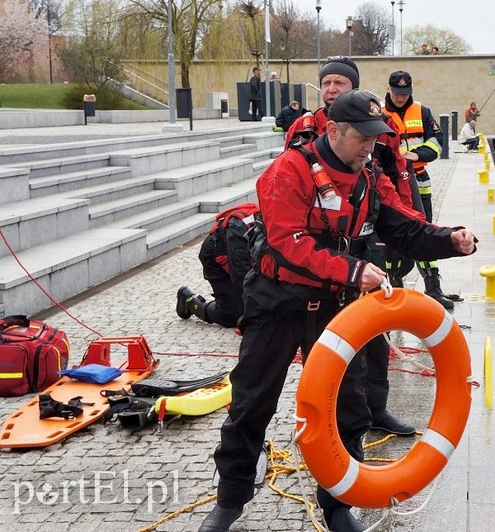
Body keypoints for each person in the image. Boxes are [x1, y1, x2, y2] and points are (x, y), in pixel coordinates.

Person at [198, 89, 477, 532]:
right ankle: (230, 500)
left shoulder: (367, 176)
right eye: (362, 138)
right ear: (332, 130)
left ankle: (336, 503)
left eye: (376, 138)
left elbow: (403, 226)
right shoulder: (288, 171)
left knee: (350, 407)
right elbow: (287, 243)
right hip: (277, 303)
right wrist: (352, 270)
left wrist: (449, 240)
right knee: (252, 402)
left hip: (336, 310)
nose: (370, 147)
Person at [286, 57, 419, 437]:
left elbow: (398, 178)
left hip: (370, 238)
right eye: (326, 83)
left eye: (339, 83)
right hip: (323, 248)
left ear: (355, 88)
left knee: (376, 331)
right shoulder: (304, 127)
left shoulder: (383, 126)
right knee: (325, 335)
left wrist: (404, 230)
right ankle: (326, 413)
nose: (331, 89)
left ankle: (376, 409)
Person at [383, 70, 462, 310]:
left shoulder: (423, 112)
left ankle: (433, 287)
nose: (400, 98)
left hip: (418, 178)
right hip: (390, 181)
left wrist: (417, 154)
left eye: (404, 94)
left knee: (424, 229)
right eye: (397, 93)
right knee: (389, 234)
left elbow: (437, 142)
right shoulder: (378, 113)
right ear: (389, 90)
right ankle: (394, 283)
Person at [176, 203, 259, 328]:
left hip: (234, 258)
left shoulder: (269, 221)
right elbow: (241, 275)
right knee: (233, 315)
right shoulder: (239, 228)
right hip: (215, 261)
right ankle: (189, 301)